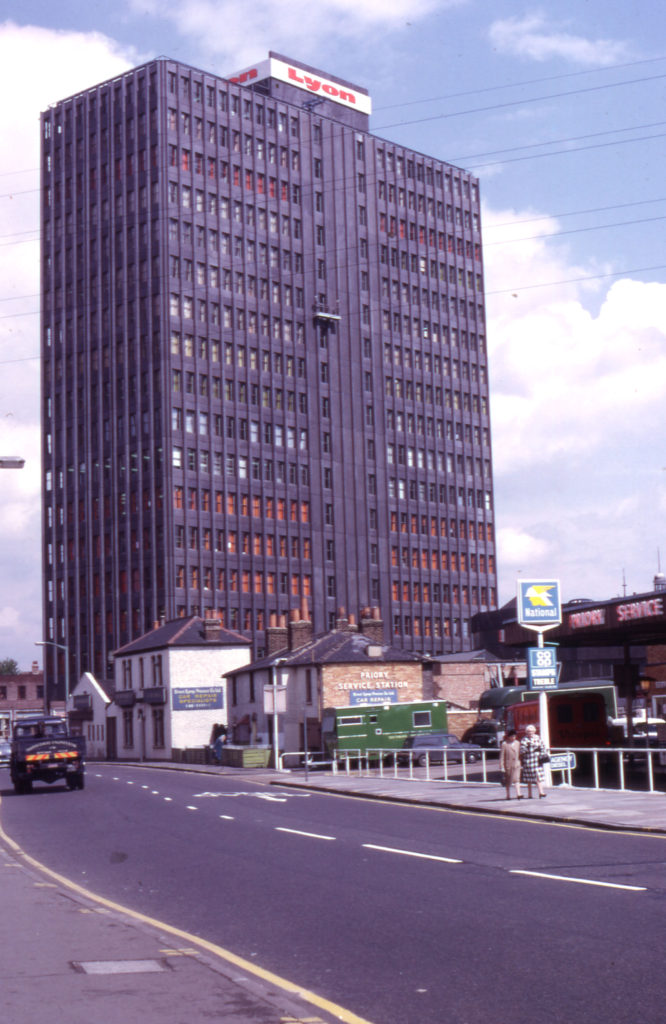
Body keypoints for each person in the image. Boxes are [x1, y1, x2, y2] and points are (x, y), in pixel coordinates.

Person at [519, 723, 548, 798]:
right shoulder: (524, 739)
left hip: (537, 761)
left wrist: (542, 753)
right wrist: (526, 748)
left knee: (538, 777)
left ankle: (541, 792)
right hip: (528, 761)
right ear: (526, 732)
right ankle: (530, 794)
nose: (530, 733)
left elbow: (543, 747)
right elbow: (522, 750)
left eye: (531, 731)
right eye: (529, 731)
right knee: (529, 779)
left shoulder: (538, 738)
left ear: (534, 731)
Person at [499, 729, 522, 800]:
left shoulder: (518, 743)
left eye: (514, 736)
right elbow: (502, 756)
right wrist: (502, 766)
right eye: (512, 736)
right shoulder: (504, 744)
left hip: (516, 764)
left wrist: (520, 762)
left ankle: (518, 794)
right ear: (508, 736)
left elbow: (520, 753)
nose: (513, 738)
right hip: (508, 765)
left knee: (517, 779)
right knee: (508, 781)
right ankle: (508, 795)